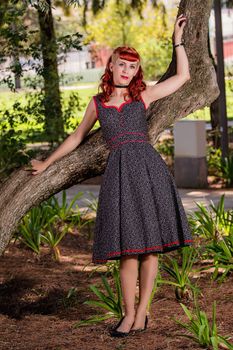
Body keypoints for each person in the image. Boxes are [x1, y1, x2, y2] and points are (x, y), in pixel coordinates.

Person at [31, 13, 193, 338]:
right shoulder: (97, 104)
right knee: (128, 249)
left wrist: (177, 42)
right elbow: (77, 137)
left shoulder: (142, 94)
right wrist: (47, 163)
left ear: (136, 71)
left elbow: (184, 77)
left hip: (148, 171)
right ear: (112, 64)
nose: (127, 71)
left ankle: (143, 312)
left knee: (150, 248)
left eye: (133, 67)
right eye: (122, 64)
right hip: (119, 176)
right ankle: (128, 314)